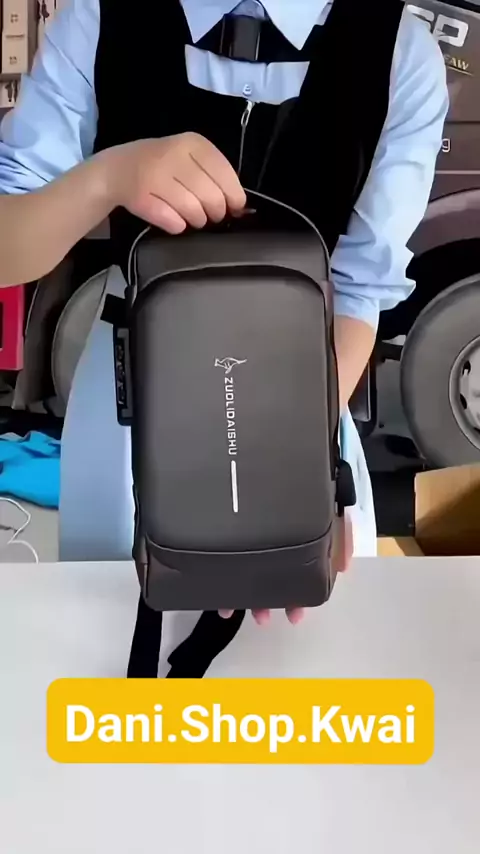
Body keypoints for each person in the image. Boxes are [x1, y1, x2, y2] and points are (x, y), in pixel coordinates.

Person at [0, 0, 448, 631]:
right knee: (107, 647)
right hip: (130, 400)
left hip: (299, 405)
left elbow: (356, 293)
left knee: (295, 673)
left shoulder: (399, 52)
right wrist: (107, 179)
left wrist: (297, 467)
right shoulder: (99, 16)